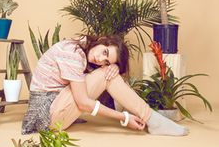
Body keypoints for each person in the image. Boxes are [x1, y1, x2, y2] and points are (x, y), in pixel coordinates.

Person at [21, 34, 189, 136]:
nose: (100, 59)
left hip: (55, 106)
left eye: (106, 60)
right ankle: (152, 119)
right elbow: (83, 102)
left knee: (108, 75)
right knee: (107, 76)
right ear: (101, 40)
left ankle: (152, 119)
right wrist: (124, 118)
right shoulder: (72, 53)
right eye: (104, 52)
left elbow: (90, 75)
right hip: (45, 117)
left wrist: (112, 66)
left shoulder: (83, 47)